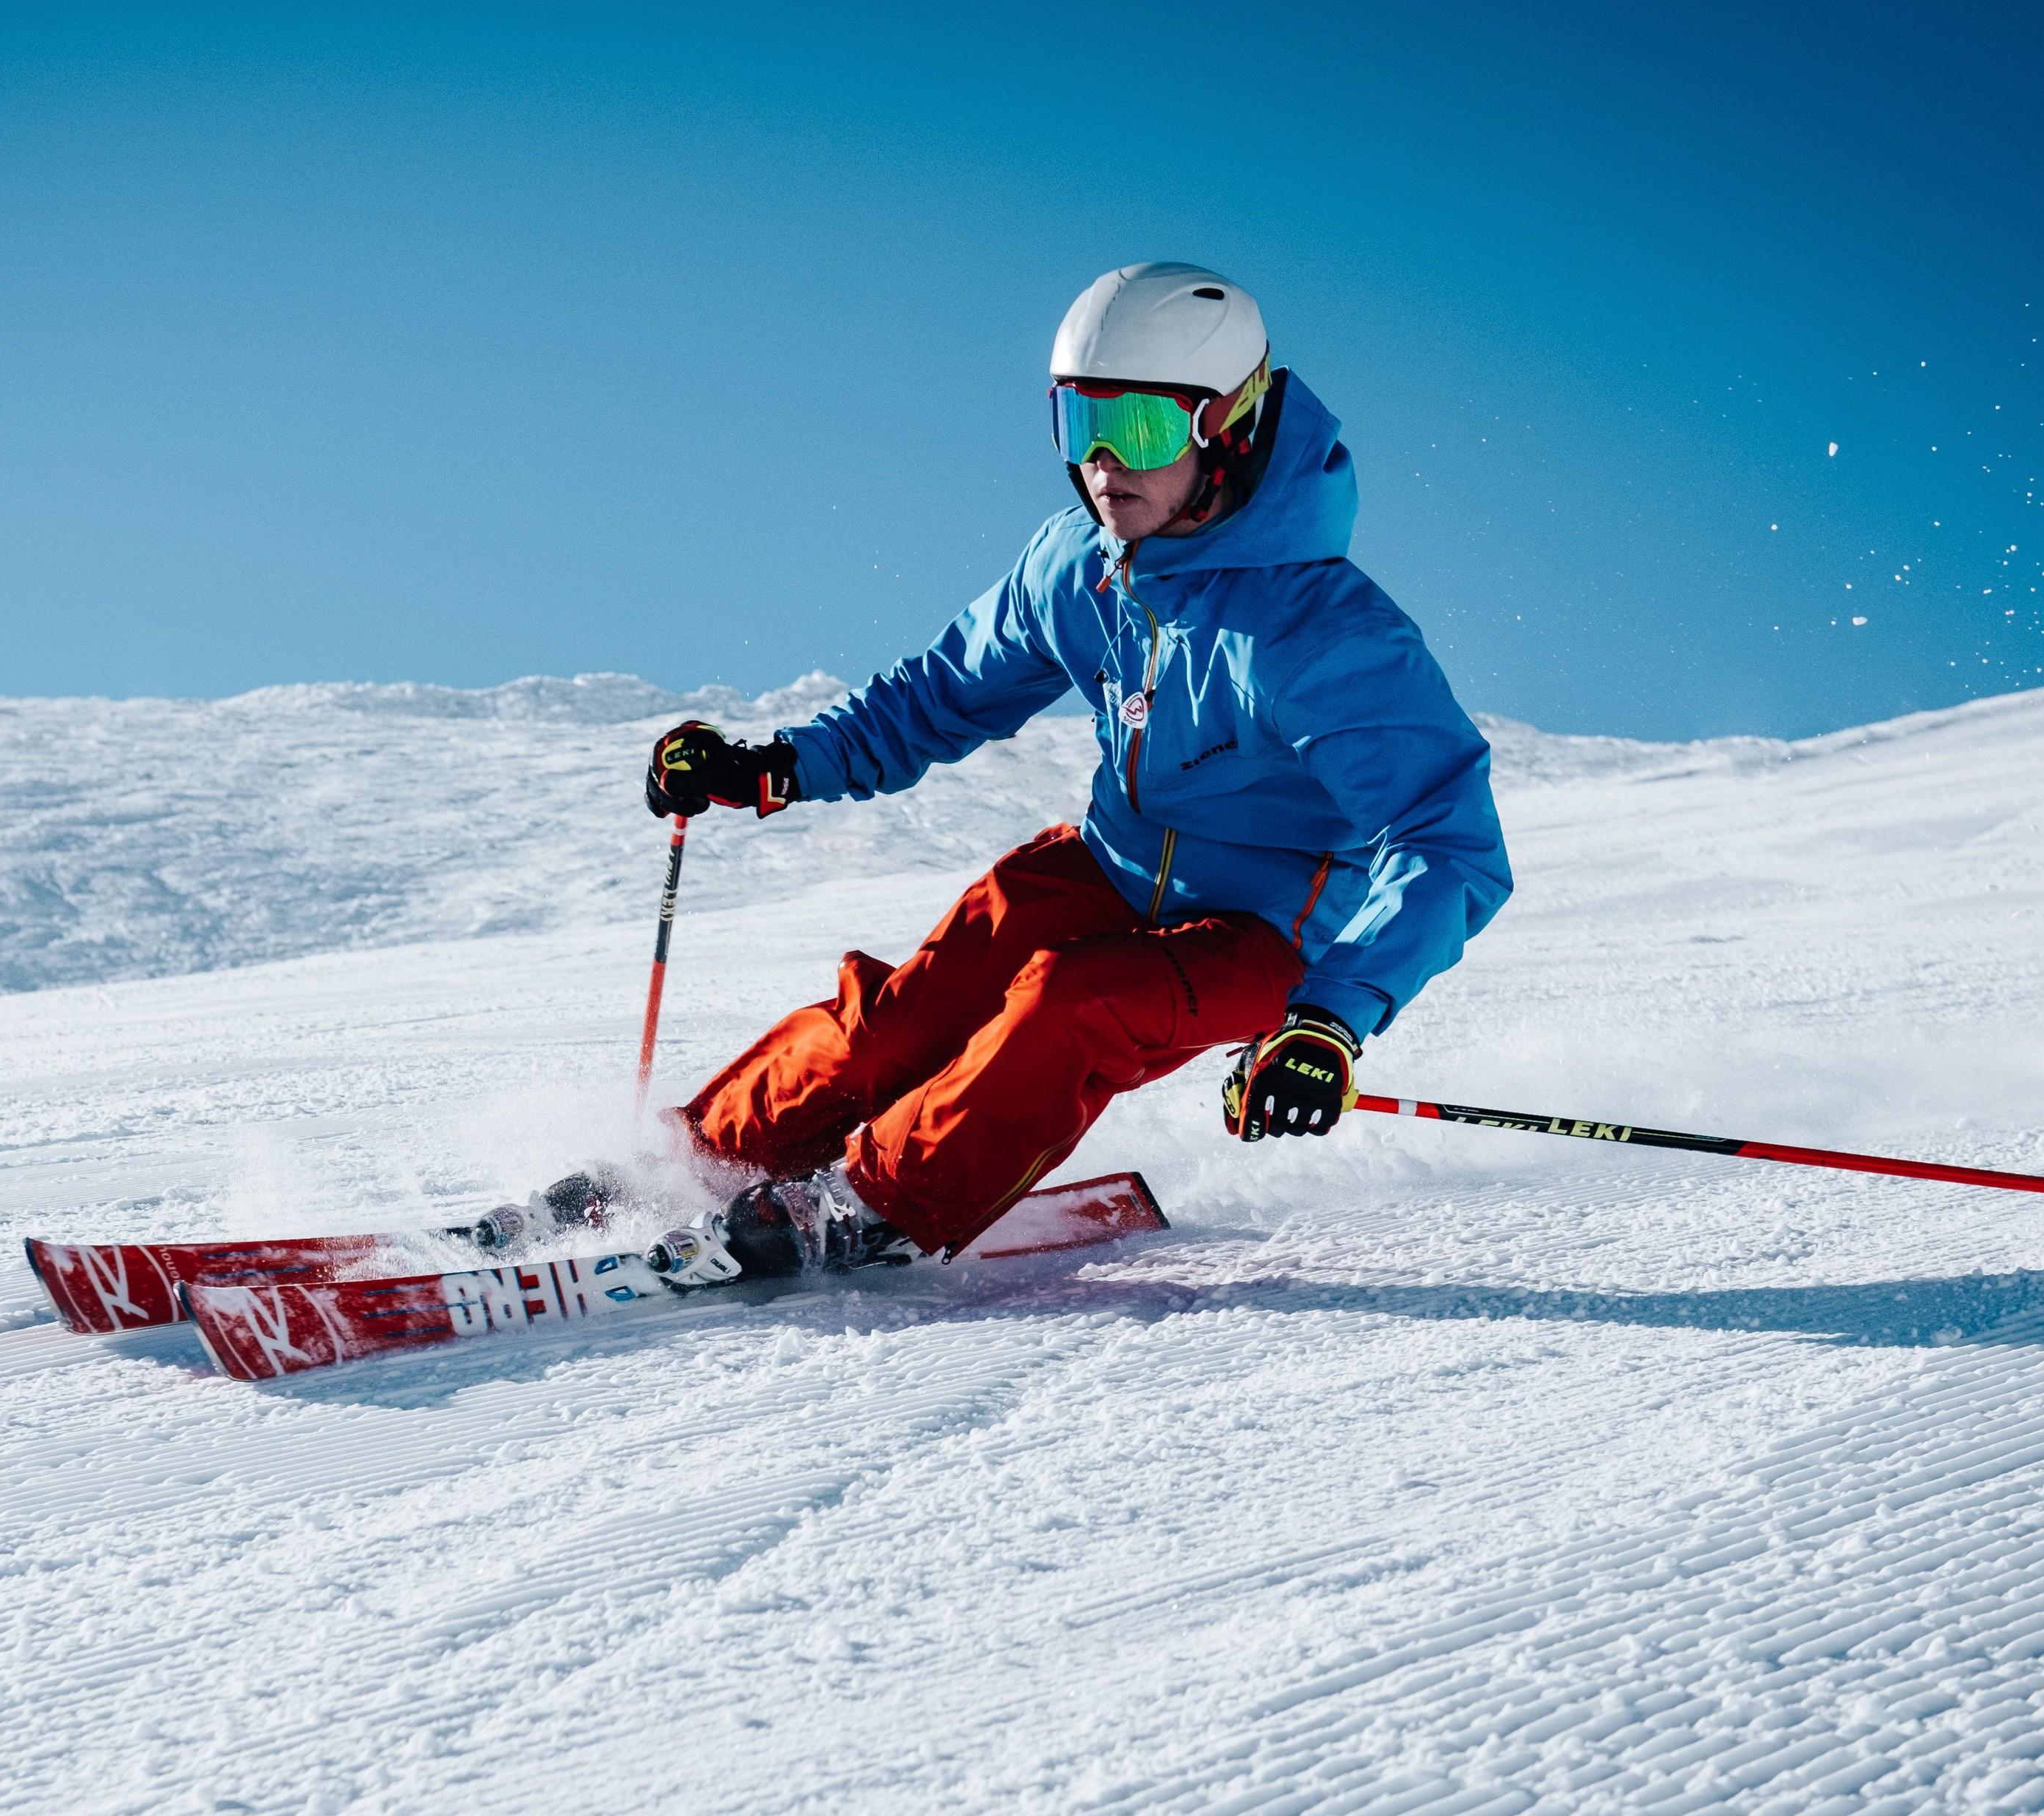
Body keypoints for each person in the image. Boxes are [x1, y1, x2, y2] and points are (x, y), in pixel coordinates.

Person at [638, 262, 1510, 1284]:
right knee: (910, 1015)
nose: (1101, 465)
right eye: (1077, 424)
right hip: (1109, 865)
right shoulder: (1078, 565)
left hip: (1269, 933)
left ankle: (869, 1207)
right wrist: (777, 763)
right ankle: (693, 1162)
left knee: (1073, 1000)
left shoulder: (1321, 634)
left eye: (1137, 430)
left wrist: (1330, 1019)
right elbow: (940, 694)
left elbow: (1447, 845)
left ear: (1225, 425)